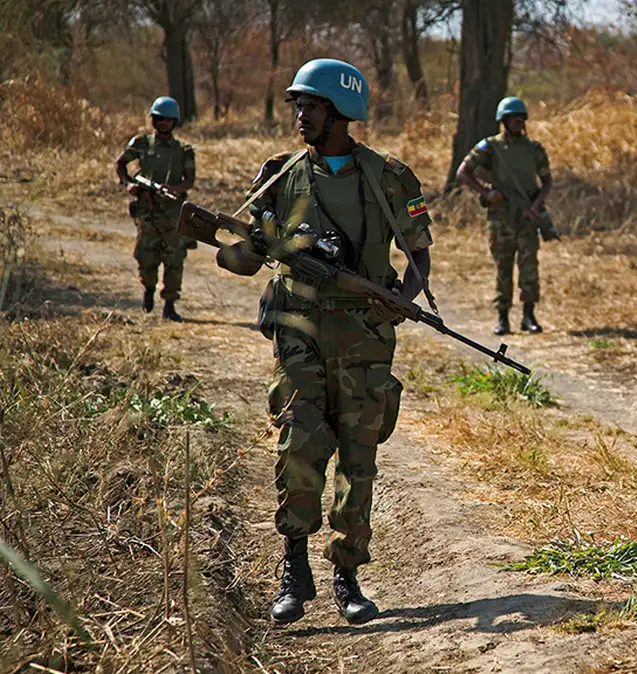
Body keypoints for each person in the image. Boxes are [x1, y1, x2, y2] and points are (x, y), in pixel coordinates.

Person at [216, 58, 433, 625]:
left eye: (310, 106)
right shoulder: (279, 175)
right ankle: (294, 568)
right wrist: (235, 247)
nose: (300, 116)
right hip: (298, 328)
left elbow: (419, 255)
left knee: (358, 455)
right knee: (299, 442)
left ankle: (347, 575)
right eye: (298, 105)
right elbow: (244, 256)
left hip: (365, 332)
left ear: (340, 112)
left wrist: (400, 298)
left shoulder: (388, 177)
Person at [456, 96, 554, 335]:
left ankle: (528, 316)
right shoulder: (490, 147)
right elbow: (463, 172)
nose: (518, 122)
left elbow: (547, 181)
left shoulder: (534, 149)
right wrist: (487, 193)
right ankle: (503, 318)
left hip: (527, 216)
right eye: (513, 119)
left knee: (529, 266)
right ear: (503, 120)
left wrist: (537, 205)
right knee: (503, 267)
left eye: (521, 119)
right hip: (500, 219)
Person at [114, 96, 195, 322]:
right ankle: (148, 291)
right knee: (146, 256)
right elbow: (120, 163)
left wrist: (173, 189)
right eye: (159, 119)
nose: (162, 124)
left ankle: (169, 305)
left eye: (167, 120)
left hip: (173, 213)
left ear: (174, 122)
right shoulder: (141, 143)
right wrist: (128, 184)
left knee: (174, 259)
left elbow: (189, 180)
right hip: (147, 210)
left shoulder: (184, 150)